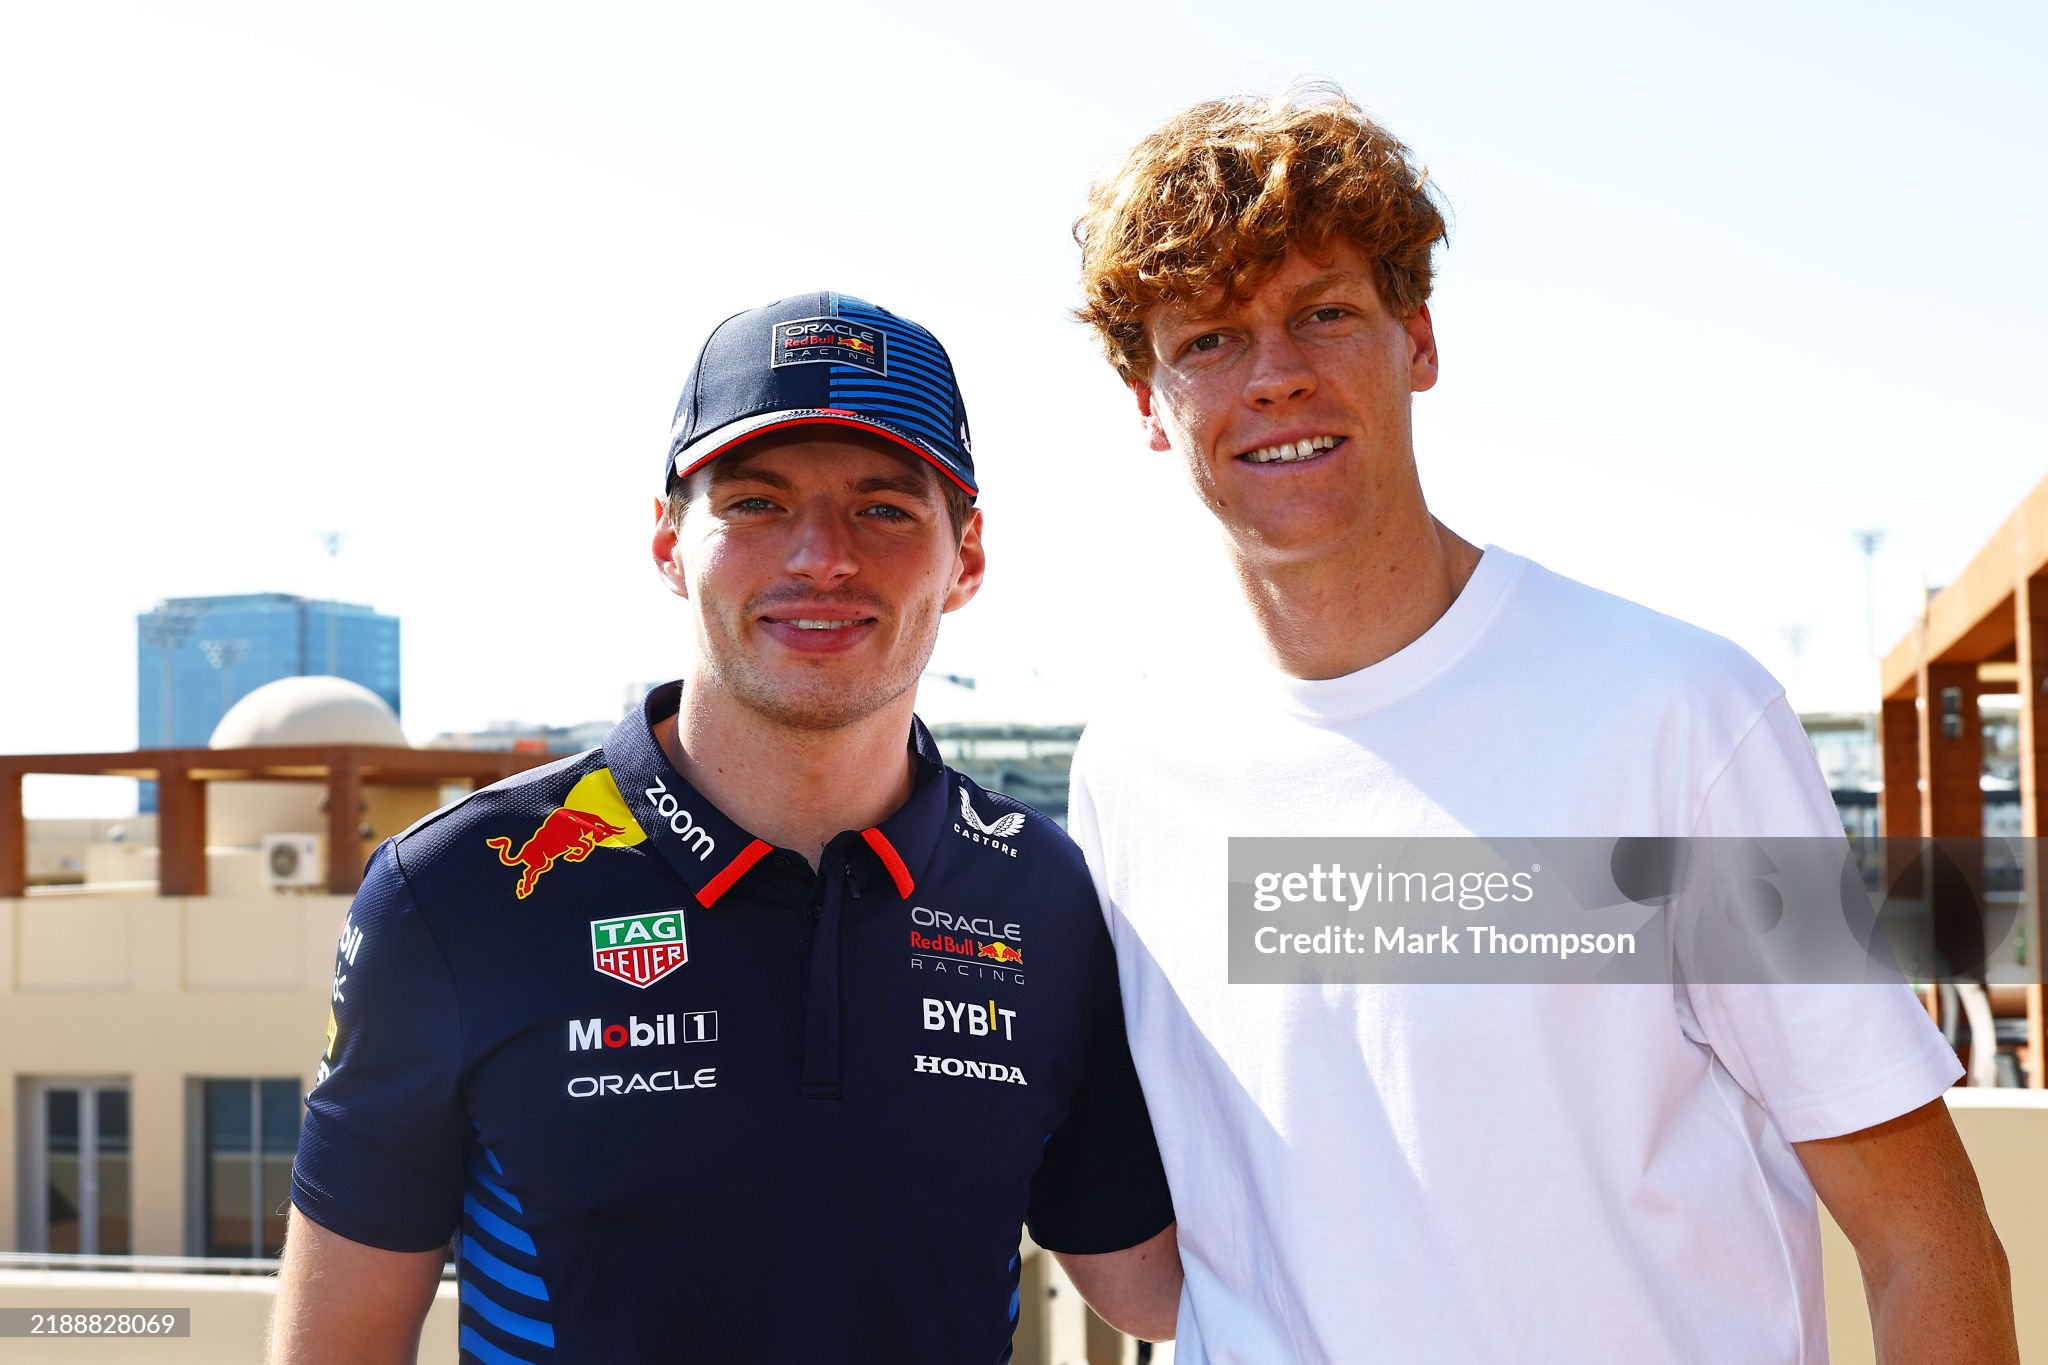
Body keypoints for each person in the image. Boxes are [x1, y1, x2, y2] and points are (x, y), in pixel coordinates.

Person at [1067, 88, 2016, 1363]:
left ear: (1418, 340)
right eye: (1207, 342)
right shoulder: (1130, 771)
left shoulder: (1676, 717)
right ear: (1148, 403)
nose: (1275, 373)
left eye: (1322, 314)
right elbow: (1196, 1246)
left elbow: (1926, 1245)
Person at [271, 291, 1178, 1364]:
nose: (819, 557)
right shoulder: (460, 889)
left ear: (965, 556)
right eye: (754, 503)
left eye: (884, 508)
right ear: (668, 542)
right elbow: (336, 1346)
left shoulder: (1043, 893)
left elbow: (1156, 1290)